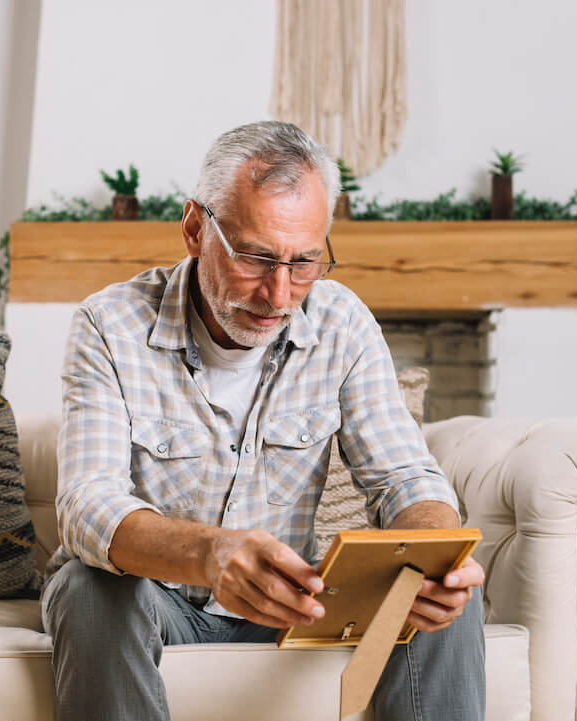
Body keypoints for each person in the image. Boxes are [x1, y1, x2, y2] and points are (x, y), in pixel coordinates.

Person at [40, 120, 486, 721]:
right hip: (162, 602)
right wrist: (209, 555)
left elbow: (404, 477)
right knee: (87, 586)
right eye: (256, 258)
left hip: (290, 608)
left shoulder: (342, 322)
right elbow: (86, 505)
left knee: (444, 586)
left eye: (304, 263)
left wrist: (436, 550)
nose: (279, 294)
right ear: (196, 228)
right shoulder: (109, 324)